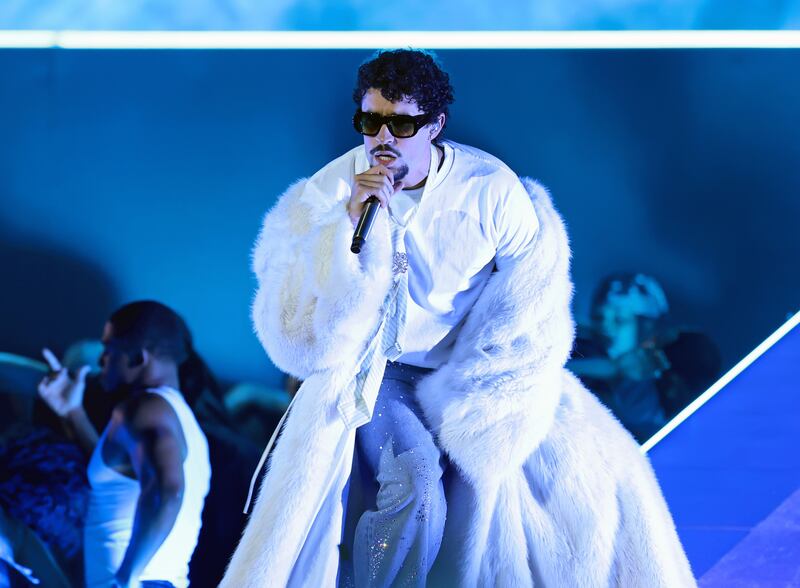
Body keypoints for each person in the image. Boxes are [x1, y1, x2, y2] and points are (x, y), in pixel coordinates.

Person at [222, 49, 695, 587]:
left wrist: (498, 397)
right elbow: (297, 338)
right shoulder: (329, 193)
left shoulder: (491, 191)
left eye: (402, 124)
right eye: (370, 121)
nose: (383, 138)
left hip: (475, 376)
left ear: (435, 125)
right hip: (379, 374)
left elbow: (532, 309)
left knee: (593, 490)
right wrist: (346, 231)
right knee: (416, 485)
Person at [37, 301, 210, 588]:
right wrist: (73, 412)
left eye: (109, 348)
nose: (101, 359)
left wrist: (127, 577)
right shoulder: (176, 415)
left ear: (138, 359)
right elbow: (121, 474)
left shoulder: (145, 409)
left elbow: (168, 492)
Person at [570, 273, 721, 441]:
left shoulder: (640, 409)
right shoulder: (578, 346)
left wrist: (616, 368)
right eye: (597, 318)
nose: (604, 328)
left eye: (620, 320)